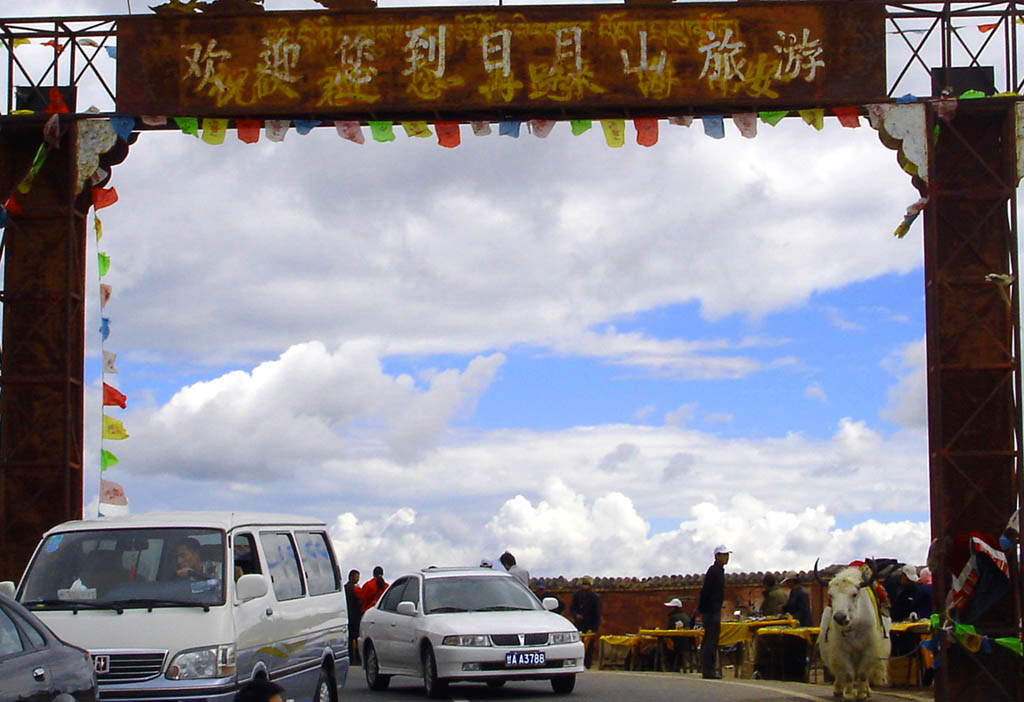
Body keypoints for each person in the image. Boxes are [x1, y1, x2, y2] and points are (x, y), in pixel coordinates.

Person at [698, 544, 730, 679]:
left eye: (727, 554)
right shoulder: (714, 571)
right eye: (724, 554)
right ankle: (708, 670)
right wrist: (710, 610)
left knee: (711, 640)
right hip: (711, 611)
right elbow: (707, 593)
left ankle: (708, 669)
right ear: (717, 556)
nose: (727, 557)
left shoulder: (719, 571)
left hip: (712, 610)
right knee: (711, 640)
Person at [344, 569, 362, 665]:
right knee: (357, 637)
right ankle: (358, 659)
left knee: (350, 639)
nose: (358, 579)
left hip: (348, 616)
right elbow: (359, 602)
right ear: (351, 577)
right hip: (355, 616)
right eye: (357, 577)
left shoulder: (345, 588)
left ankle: (351, 658)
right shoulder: (355, 589)